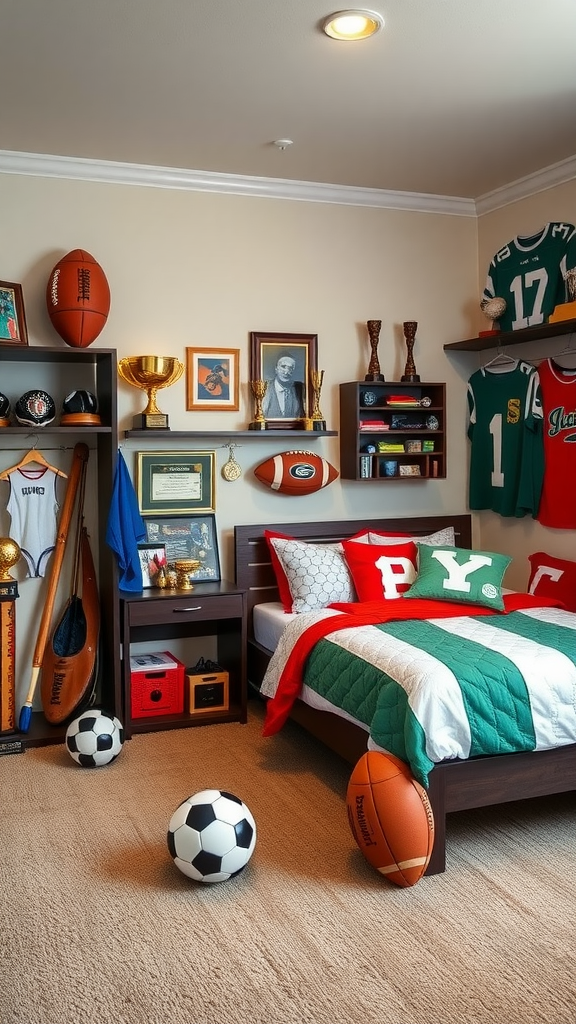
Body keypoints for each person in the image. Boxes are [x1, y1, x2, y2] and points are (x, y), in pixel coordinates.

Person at [262, 353, 305, 419]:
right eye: (283, 366)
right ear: (276, 368)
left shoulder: (300, 389)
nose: (286, 372)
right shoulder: (265, 387)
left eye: (290, 368)